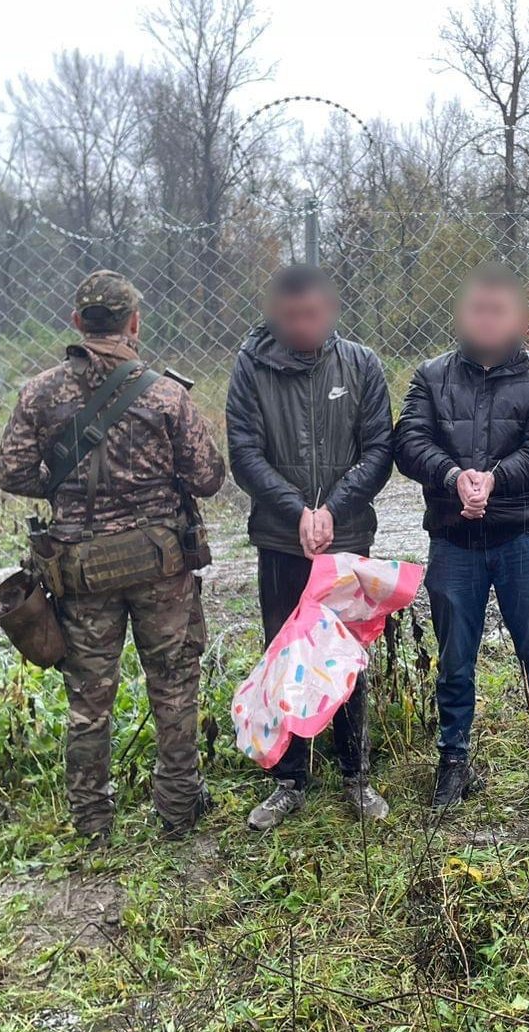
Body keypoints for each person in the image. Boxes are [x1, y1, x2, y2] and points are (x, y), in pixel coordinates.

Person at [0, 269, 226, 843]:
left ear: (76, 323)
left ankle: (93, 822)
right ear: (134, 323)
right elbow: (208, 477)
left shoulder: (40, 394)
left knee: (89, 699)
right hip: (160, 566)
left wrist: (61, 488)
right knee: (172, 686)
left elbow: (11, 472)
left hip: (81, 570)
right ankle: (176, 812)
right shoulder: (166, 394)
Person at [393, 263, 529, 808]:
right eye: (477, 308)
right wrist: (453, 478)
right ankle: (454, 760)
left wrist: (493, 480)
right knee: (455, 658)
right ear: (461, 314)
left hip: (525, 538)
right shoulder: (430, 376)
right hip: (454, 541)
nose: (488, 319)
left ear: (518, 316)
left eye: (499, 309)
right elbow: (409, 442)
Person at [225, 264, 395, 830]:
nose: (305, 325)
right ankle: (290, 780)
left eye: (315, 314)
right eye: (293, 315)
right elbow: (244, 452)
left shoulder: (362, 364)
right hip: (280, 538)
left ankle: (356, 775)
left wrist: (332, 511)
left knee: (346, 657)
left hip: (346, 536)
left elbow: (378, 450)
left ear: (331, 310)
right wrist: (296, 511)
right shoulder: (251, 367)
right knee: (284, 655)